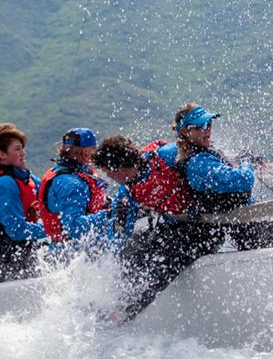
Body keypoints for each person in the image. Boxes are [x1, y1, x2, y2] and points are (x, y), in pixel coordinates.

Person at [93, 135, 223, 319]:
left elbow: (208, 155)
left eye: (109, 172)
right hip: (176, 228)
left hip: (207, 229)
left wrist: (243, 163)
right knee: (131, 252)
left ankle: (127, 312)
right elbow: (119, 235)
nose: (110, 178)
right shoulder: (127, 193)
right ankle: (112, 306)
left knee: (163, 259)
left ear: (120, 167)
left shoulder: (167, 155)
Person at [174, 103, 273, 250]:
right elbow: (244, 180)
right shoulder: (199, 163)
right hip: (252, 229)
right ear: (184, 131)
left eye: (208, 124)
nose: (206, 129)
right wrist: (245, 161)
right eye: (199, 126)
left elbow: (226, 171)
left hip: (250, 226)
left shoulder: (202, 157)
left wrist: (242, 158)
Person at [0, 123, 46, 283]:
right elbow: (16, 231)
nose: (23, 153)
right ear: (2, 154)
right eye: (17, 149)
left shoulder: (27, 179)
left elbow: (48, 195)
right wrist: (51, 228)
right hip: (5, 255)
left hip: (24, 250)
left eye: (22, 148)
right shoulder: (4, 184)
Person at [38, 128, 110, 247]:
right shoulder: (72, 184)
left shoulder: (61, 174)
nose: (96, 154)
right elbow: (74, 227)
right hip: (72, 254)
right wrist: (109, 215)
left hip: (64, 250)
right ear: (86, 153)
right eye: (94, 150)